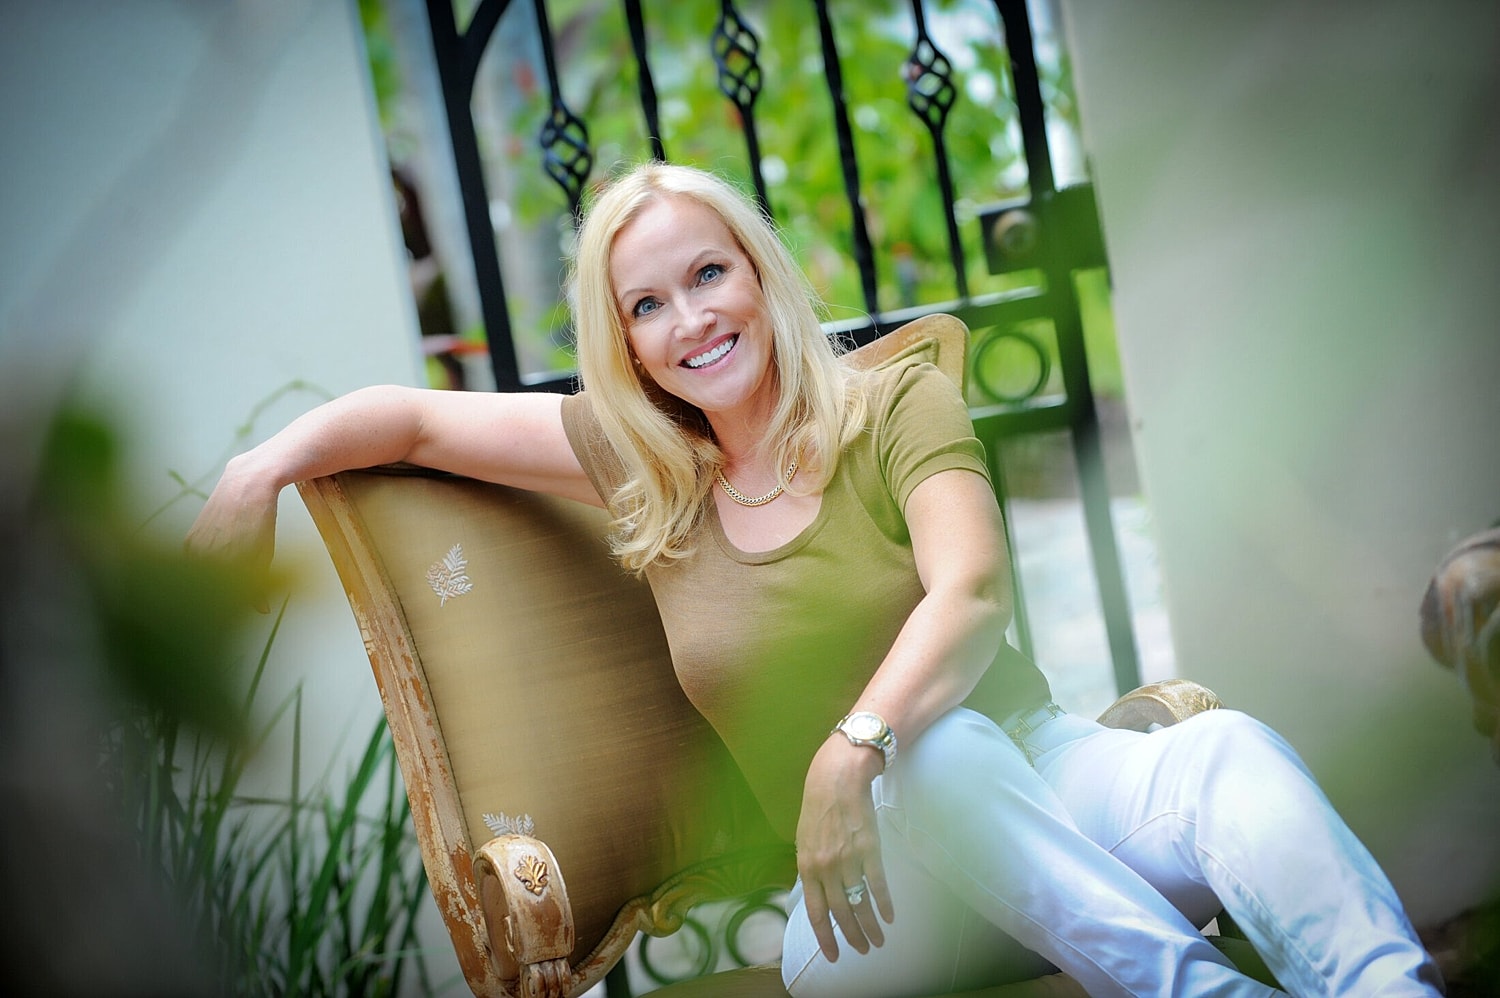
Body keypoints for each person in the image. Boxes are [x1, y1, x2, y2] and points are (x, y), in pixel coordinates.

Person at [188, 161, 1443, 997]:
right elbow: (407, 423)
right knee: (936, 758)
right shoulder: (647, 469)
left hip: (1040, 770)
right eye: (647, 303)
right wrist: (256, 473)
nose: (690, 318)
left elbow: (971, 594)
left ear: (759, 273)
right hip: (867, 906)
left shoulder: (894, 401)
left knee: (1222, 752)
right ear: (621, 339)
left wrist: (849, 743)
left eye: (708, 274)